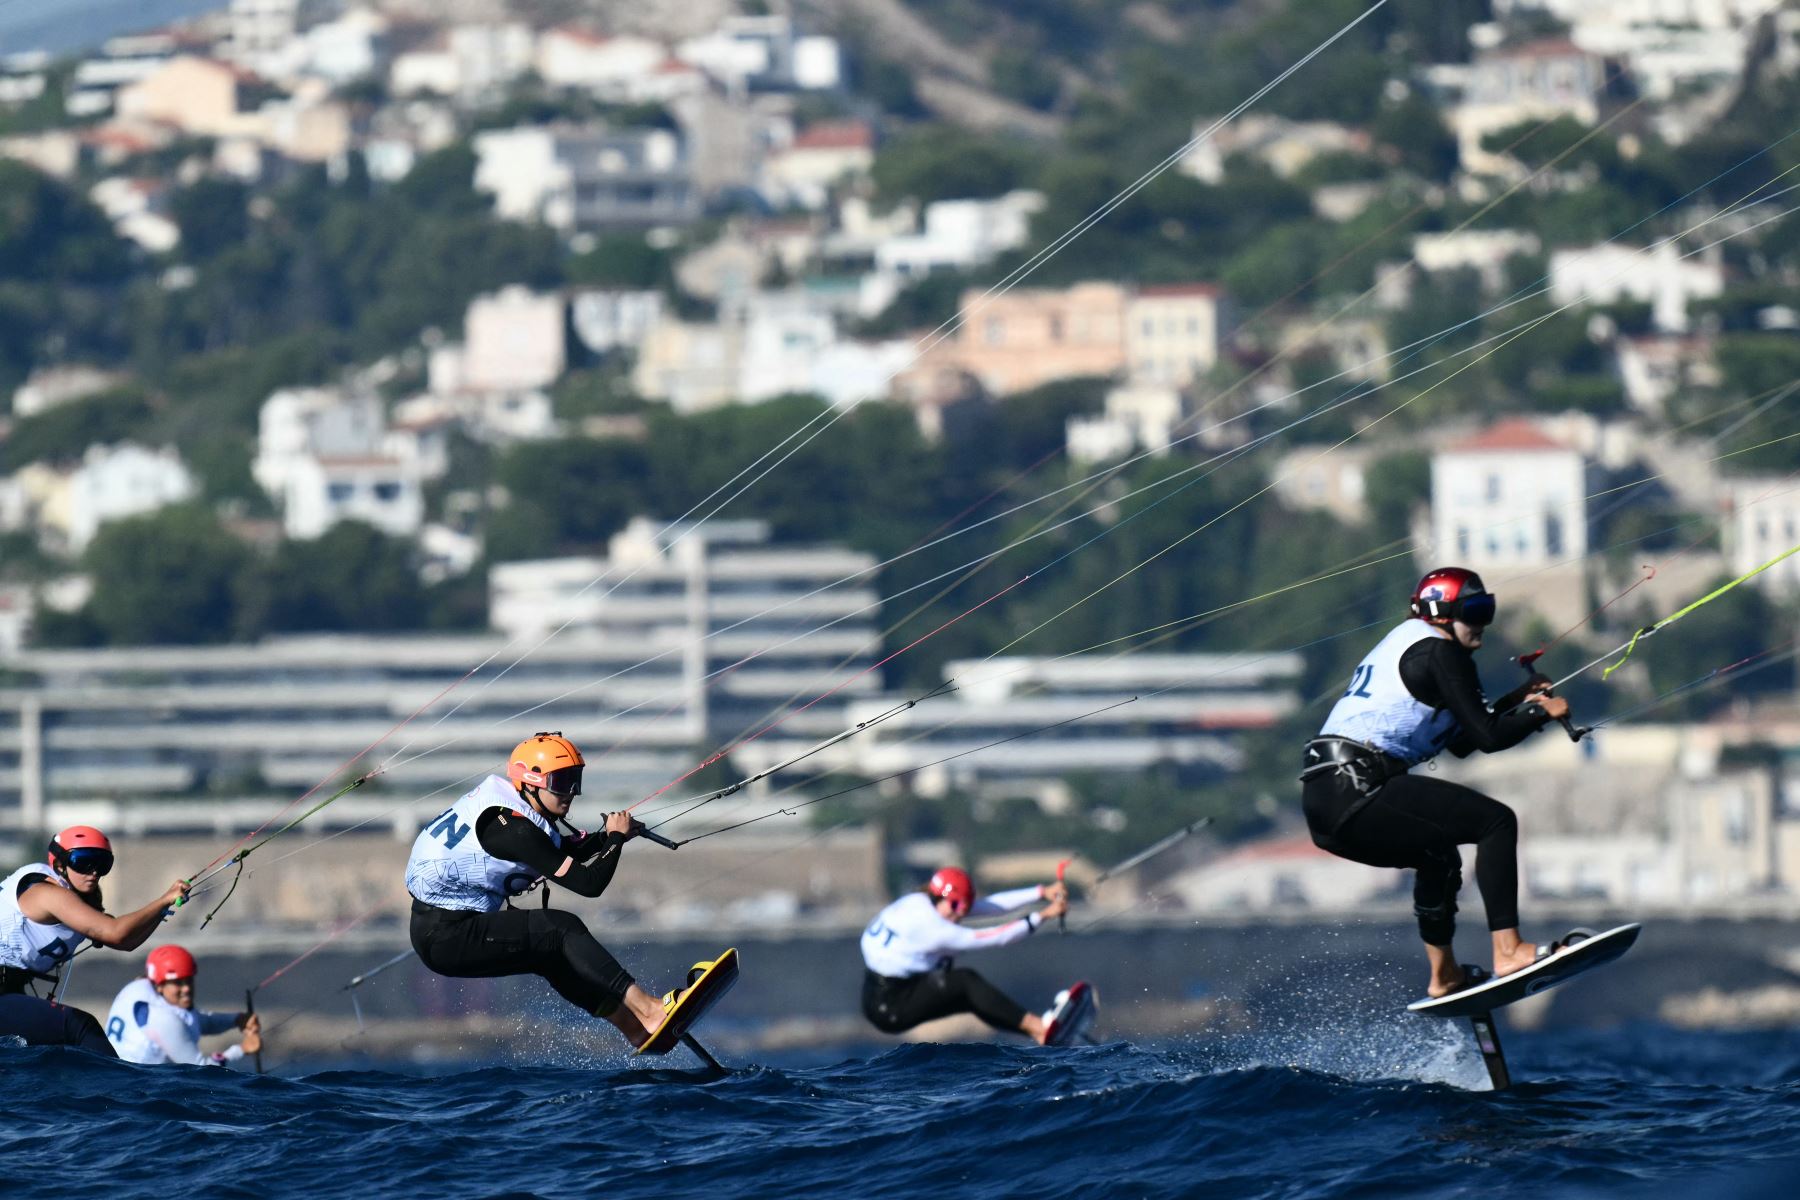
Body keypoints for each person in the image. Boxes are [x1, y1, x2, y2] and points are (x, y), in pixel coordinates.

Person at [1301, 567, 1575, 999]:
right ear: (1441, 613)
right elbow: (1487, 738)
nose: (1483, 622)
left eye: (1489, 609)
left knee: (1438, 858)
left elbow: (1464, 742)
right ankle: (1509, 951)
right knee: (1496, 821)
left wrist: (1517, 702)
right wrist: (1542, 712)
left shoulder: (1416, 646)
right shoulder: (1439, 652)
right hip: (1358, 784)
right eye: (1475, 610)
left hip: (1327, 799)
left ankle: (1444, 976)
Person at [405, 731, 675, 1047]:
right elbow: (589, 885)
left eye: (576, 779)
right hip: (446, 935)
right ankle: (649, 1008)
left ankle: (634, 1028)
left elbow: (560, 853)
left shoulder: (514, 814)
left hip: (443, 933)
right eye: (561, 782)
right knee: (561, 928)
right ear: (530, 783)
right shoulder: (515, 829)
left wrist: (610, 838)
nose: (571, 792)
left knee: (550, 955)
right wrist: (614, 838)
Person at [0, 826, 190, 1055]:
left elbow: (126, 942)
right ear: (59, 864)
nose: (93, 872)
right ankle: (119, 1090)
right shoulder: (47, 893)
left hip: (10, 990)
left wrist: (160, 911)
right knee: (79, 1027)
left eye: (102, 863)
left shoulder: (77, 901)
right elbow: (116, 932)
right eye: (83, 862)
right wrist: (163, 900)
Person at [860, 866, 1069, 1044]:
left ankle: (1039, 1032)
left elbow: (991, 907)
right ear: (938, 897)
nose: (960, 913)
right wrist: (1044, 915)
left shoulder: (920, 900)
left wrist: (1041, 892)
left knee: (968, 997)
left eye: (965, 906)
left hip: (882, 993)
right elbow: (998, 937)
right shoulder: (934, 929)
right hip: (890, 1007)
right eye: (956, 906)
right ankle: (1040, 1029)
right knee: (966, 983)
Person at [105, 944, 261, 1066]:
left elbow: (196, 1021)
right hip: (134, 1092)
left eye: (189, 980)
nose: (186, 988)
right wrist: (241, 1050)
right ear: (159, 985)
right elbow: (200, 1071)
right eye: (178, 983)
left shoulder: (138, 986)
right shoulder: (164, 1020)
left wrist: (236, 1019)